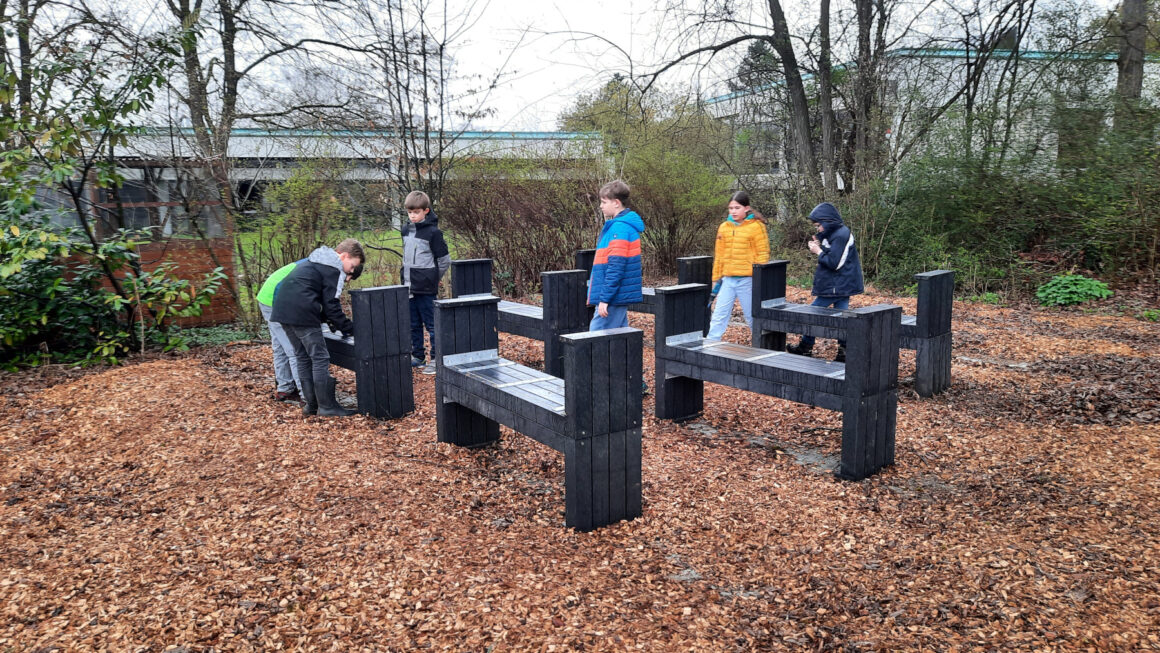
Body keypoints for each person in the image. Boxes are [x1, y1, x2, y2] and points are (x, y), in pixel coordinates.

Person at [270, 239, 365, 416]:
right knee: (320, 358)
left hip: (282, 310)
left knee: (302, 357)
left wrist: (331, 322)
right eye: (352, 266)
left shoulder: (314, 261)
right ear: (344, 256)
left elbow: (313, 295)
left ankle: (311, 405)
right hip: (301, 313)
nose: (350, 271)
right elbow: (331, 305)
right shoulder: (333, 268)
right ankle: (327, 407)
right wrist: (349, 328)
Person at [786, 202, 864, 362]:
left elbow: (835, 263)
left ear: (827, 221)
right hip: (839, 284)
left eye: (818, 226)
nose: (818, 229)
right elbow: (832, 251)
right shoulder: (835, 233)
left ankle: (806, 346)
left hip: (838, 284)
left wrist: (818, 251)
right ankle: (844, 350)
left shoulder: (842, 235)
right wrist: (820, 243)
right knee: (842, 317)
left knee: (813, 313)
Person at [706, 191, 770, 341]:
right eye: (731, 208)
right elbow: (719, 255)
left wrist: (759, 277)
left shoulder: (756, 227)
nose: (733, 211)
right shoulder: (724, 227)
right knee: (719, 315)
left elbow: (763, 253)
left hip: (747, 279)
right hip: (728, 279)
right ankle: (710, 344)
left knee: (751, 315)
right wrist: (716, 277)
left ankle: (761, 344)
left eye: (737, 208)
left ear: (746, 208)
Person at [401, 190, 451, 375]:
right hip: (408, 286)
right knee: (413, 324)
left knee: (432, 324)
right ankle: (418, 356)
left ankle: (437, 359)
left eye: (416, 212)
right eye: (409, 212)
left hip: (426, 287)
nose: (412, 215)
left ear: (426, 211)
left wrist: (433, 278)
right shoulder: (405, 230)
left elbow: (445, 260)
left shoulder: (433, 233)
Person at [588, 179, 645, 331]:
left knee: (595, 340)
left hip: (613, 298)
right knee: (618, 341)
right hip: (616, 296)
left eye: (604, 202)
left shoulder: (619, 228)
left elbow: (616, 267)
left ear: (616, 203)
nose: (601, 206)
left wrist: (605, 299)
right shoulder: (620, 226)